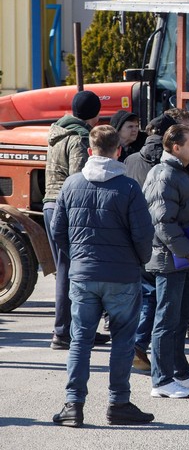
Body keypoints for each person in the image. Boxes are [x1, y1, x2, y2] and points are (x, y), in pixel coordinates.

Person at [50, 125, 156, 427]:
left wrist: (77, 259)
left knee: (80, 340)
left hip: (84, 274)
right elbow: (143, 233)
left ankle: (73, 405)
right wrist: (139, 261)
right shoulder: (129, 187)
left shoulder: (71, 185)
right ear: (118, 150)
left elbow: (58, 232)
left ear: (88, 151)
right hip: (122, 275)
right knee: (123, 340)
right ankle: (118, 403)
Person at [143, 124, 189, 398]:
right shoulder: (164, 176)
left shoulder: (181, 171)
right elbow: (163, 223)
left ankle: (181, 374)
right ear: (176, 147)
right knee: (166, 320)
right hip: (170, 259)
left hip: (184, 258)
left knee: (181, 318)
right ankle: (161, 381)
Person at [44, 89, 108, 351]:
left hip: (50, 203)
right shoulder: (80, 138)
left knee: (67, 269)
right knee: (72, 271)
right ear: (95, 115)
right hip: (67, 207)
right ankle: (64, 332)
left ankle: (75, 329)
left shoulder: (58, 132)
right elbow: (78, 180)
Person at [124, 114, 178, 373]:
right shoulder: (171, 163)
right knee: (160, 298)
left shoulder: (131, 159)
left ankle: (135, 343)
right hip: (164, 238)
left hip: (133, 235)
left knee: (143, 293)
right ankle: (143, 345)